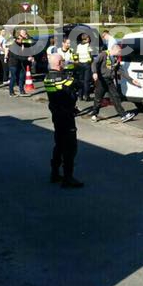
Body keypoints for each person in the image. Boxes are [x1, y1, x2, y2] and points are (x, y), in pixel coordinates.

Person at [45, 54, 84, 188]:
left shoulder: (47, 78)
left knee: (59, 144)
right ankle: (68, 177)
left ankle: (55, 173)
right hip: (66, 115)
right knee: (70, 147)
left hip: (56, 113)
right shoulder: (63, 78)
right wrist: (75, 71)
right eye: (63, 61)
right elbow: (78, 84)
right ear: (59, 63)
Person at [90, 44, 137, 122]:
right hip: (101, 80)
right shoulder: (103, 54)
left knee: (115, 97)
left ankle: (123, 115)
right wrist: (94, 72)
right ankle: (94, 114)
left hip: (109, 81)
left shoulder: (116, 58)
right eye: (119, 52)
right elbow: (94, 63)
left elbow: (121, 70)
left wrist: (131, 80)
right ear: (115, 50)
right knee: (98, 98)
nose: (120, 53)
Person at [8, 31, 28, 96]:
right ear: (17, 39)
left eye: (22, 39)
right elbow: (17, 56)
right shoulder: (14, 46)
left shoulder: (21, 45)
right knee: (13, 78)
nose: (22, 40)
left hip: (20, 63)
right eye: (20, 39)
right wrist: (27, 58)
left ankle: (21, 90)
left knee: (21, 77)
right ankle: (11, 92)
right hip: (13, 64)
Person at [76, 34, 94, 101]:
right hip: (87, 64)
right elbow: (91, 54)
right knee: (86, 81)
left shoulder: (79, 46)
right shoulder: (88, 45)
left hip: (80, 64)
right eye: (88, 38)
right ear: (86, 39)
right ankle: (86, 96)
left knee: (81, 80)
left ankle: (80, 96)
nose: (89, 39)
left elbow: (77, 54)